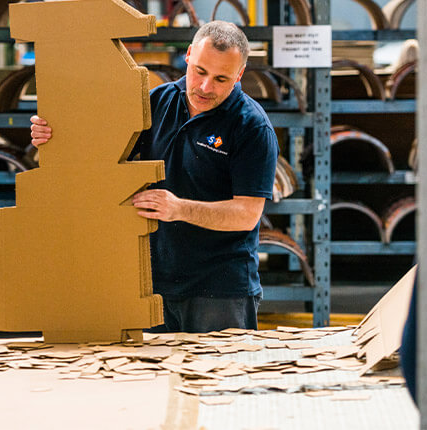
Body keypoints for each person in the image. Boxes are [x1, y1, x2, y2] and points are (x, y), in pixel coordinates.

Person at [30, 21, 279, 333]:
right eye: (200, 71)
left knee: (216, 367)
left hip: (220, 291)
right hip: (153, 281)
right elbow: (101, 152)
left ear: (239, 75)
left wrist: (179, 209)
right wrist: (54, 137)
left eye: (221, 79)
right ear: (188, 55)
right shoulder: (156, 103)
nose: (205, 87)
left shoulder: (252, 127)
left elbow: (247, 214)